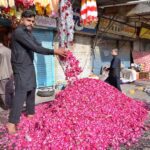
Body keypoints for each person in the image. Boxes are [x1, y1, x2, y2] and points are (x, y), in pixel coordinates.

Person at [7, 10, 67, 134]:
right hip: (20, 67)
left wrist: (53, 51)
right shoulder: (19, 32)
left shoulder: (28, 33)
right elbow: (35, 48)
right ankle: (11, 122)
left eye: (33, 21)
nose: (31, 23)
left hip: (28, 65)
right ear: (22, 19)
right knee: (21, 92)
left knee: (32, 88)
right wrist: (54, 51)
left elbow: (38, 44)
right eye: (29, 20)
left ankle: (30, 114)